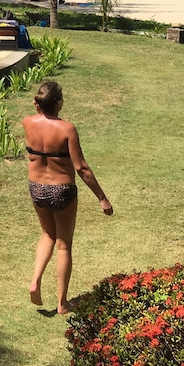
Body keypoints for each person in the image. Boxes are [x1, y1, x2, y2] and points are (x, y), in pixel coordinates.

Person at [23, 79, 113, 314]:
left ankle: (35, 281)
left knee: (47, 234)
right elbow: (81, 168)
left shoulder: (28, 123)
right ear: (58, 103)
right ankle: (62, 304)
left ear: (38, 103)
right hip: (61, 190)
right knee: (63, 245)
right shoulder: (67, 129)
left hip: (36, 187)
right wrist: (102, 198)